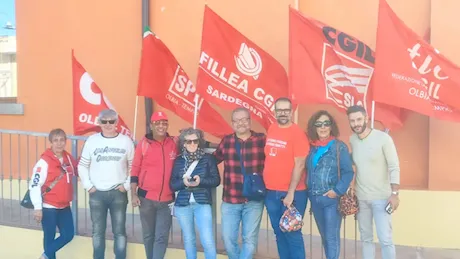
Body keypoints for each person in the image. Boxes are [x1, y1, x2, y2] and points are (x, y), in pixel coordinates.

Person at [78, 109, 135, 260]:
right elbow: (82, 165)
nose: (108, 124)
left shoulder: (126, 141)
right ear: (99, 123)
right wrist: (89, 186)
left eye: (111, 121)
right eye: (104, 121)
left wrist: (127, 185)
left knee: (120, 232)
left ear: (117, 123)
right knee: (97, 232)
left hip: (118, 193)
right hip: (97, 193)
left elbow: (133, 166)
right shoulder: (92, 141)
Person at [346, 105, 400, 260]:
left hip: (382, 199)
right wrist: (351, 184)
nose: (356, 123)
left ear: (366, 118)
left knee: (385, 239)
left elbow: (394, 166)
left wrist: (395, 194)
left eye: (359, 119)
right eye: (352, 121)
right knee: (366, 239)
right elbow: (355, 165)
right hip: (361, 199)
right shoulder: (353, 140)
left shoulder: (383, 139)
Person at [214, 107, 266, 260]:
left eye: (244, 119)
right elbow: (212, 160)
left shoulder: (262, 140)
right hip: (231, 199)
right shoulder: (227, 141)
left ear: (249, 121)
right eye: (236, 120)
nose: (240, 123)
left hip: (254, 200)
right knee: (228, 239)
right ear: (232, 123)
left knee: (249, 240)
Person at [263, 97, 310, 260]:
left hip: (292, 194)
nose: (282, 113)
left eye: (286, 110)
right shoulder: (272, 128)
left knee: (292, 233)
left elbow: (300, 164)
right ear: (275, 112)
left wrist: (290, 193)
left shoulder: (297, 133)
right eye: (279, 110)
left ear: (291, 112)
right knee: (279, 232)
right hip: (271, 192)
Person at [306, 110, 354, 260]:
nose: (323, 127)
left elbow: (348, 172)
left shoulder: (339, 147)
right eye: (319, 124)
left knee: (331, 237)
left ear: (331, 126)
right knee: (324, 236)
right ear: (314, 127)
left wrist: (337, 191)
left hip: (331, 200)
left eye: (326, 123)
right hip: (315, 199)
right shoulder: (311, 147)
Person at [130, 111, 177, 260]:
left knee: (161, 237)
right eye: (158, 123)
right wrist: (133, 193)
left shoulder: (174, 143)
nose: (161, 126)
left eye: (164, 123)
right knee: (149, 235)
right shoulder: (144, 144)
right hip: (146, 199)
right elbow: (135, 168)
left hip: (167, 200)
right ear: (151, 125)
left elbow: (195, 141)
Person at [170, 127, 221, 260]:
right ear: (183, 143)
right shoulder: (179, 160)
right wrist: (183, 183)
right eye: (188, 141)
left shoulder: (208, 159)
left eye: (195, 141)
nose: (192, 144)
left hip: (202, 203)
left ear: (200, 142)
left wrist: (201, 181)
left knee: (208, 240)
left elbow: (216, 180)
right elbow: (172, 184)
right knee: (188, 240)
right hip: (183, 204)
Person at [30, 128, 77, 260]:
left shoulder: (68, 158)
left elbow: (78, 168)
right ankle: (48, 257)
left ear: (65, 141)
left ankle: (45, 256)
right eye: (56, 140)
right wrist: (38, 207)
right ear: (51, 142)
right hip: (48, 206)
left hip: (64, 206)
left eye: (62, 140)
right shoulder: (44, 162)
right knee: (49, 237)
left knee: (68, 235)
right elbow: (35, 184)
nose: (59, 143)